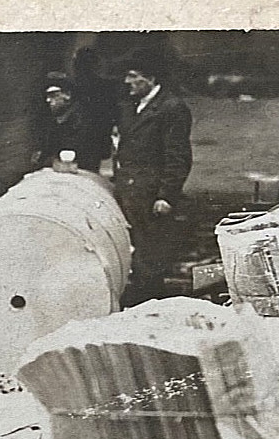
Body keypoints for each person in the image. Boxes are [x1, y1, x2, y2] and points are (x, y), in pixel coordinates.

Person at [114, 52, 193, 306]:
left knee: (151, 252)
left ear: (150, 79)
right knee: (135, 247)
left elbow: (177, 156)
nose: (127, 82)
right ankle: (140, 298)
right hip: (129, 189)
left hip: (151, 194)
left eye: (133, 76)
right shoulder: (130, 106)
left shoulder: (171, 107)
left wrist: (166, 195)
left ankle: (149, 304)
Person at [35, 73, 104, 172]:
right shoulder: (53, 121)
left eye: (53, 95)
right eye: (47, 96)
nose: (48, 100)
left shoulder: (83, 122)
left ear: (68, 95)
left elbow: (85, 158)